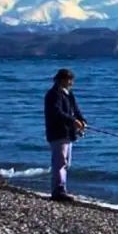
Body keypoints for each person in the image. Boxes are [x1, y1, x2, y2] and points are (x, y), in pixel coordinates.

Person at [44, 68, 86, 202]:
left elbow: (76, 110)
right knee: (60, 162)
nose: (71, 83)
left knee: (66, 163)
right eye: (69, 80)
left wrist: (82, 121)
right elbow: (56, 113)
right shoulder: (53, 94)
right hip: (58, 133)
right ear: (61, 80)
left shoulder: (69, 94)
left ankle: (62, 188)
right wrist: (73, 121)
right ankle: (58, 191)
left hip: (68, 133)